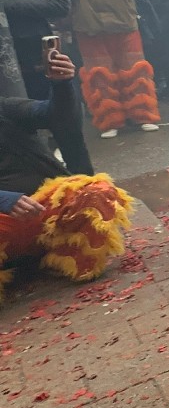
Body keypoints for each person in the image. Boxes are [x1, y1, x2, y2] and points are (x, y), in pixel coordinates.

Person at [0, 50, 133, 302]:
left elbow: (55, 116)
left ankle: (67, 257)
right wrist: (4, 199)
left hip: (44, 213)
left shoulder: (4, 108)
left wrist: (61, 85)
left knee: (97, 192)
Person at [54, 0, 160, 139]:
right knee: (99, 75)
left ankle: (144, 115)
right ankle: (110, 120)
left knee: (136, 72)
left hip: (124, 24)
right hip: (88, 26)